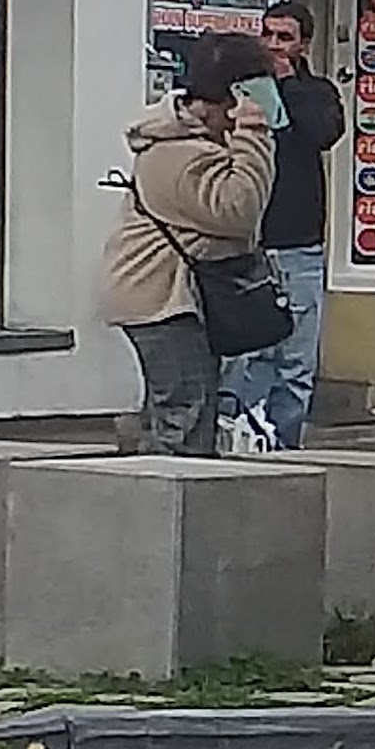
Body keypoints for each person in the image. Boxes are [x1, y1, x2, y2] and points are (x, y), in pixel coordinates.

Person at [99, 35, 278, 455]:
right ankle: (170, 491)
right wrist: (254, 133)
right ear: (229, 100)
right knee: (186, 416)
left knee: (177, 411)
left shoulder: (193, 141)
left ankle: (154, 477)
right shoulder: (176, 153)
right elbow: (238, 210)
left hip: (169, 296)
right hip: (159, 300)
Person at [218, 0, 347, 450]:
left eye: (284, 37)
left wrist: (288, 84)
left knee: (296, 360)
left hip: (298, 244)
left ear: (303, 45)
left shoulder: (317, 92)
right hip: (246, 243)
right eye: (267, 34)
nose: (273, 45)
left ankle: (284, 445)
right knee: (244, 358)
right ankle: (237, 440)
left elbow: (323, 133)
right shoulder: (238, 90)